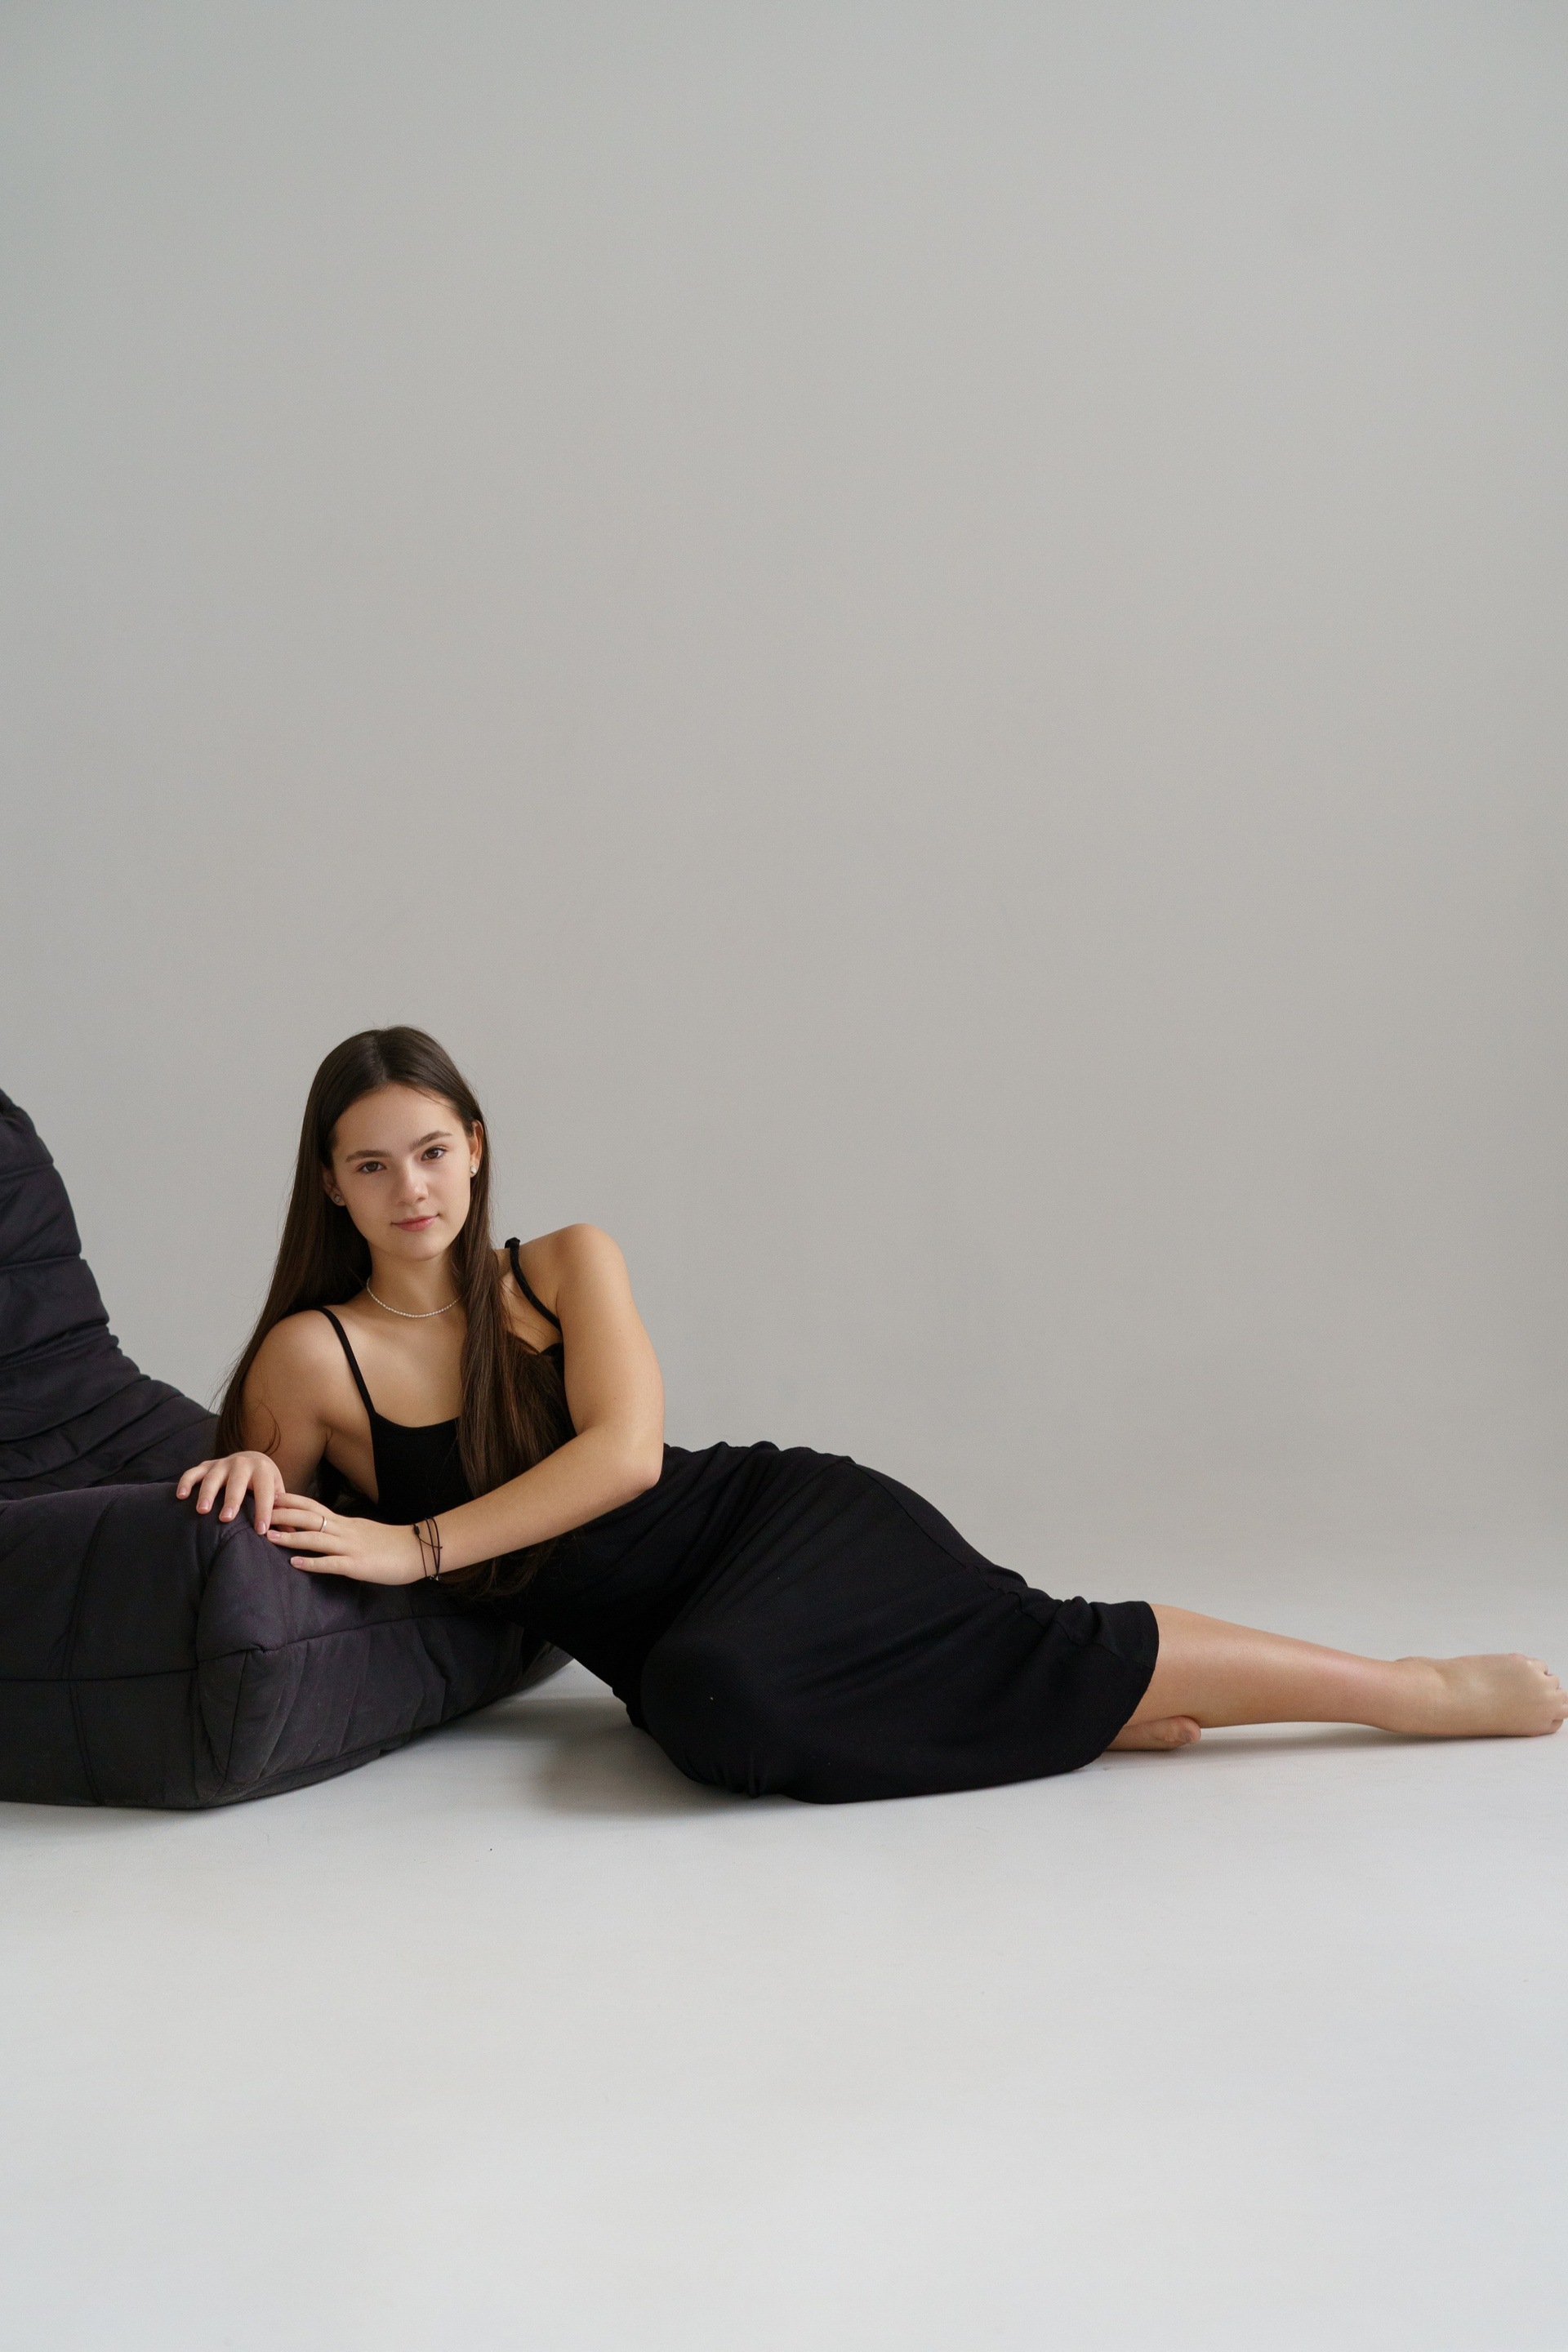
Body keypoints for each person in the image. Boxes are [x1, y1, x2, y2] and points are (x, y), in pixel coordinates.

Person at [175, 1027, 1564, 1802]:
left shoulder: (565, 1264)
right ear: (331, 1184)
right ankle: (1078, 1722)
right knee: (715, 1711)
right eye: (373, 1166)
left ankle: (1406, 1691)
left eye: (432, 1151)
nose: (412, 1189)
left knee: (1028, 1636)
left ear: (476, 1149)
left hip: (775, 1524)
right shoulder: (313, 1357)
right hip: (668, 1646)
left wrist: (418, 1548)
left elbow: (627, 1458)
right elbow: (252, 1500)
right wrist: (245, 1471)